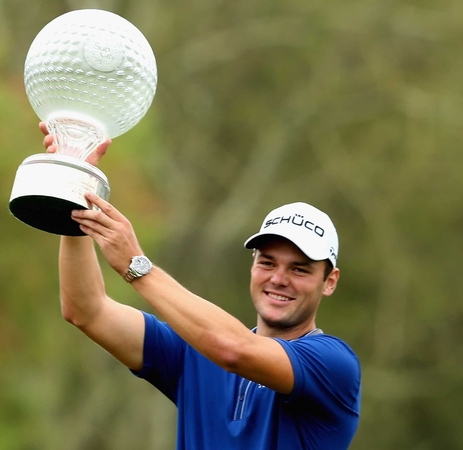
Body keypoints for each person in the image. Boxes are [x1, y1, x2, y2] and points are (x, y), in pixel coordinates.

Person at [40, 123, 361, 449]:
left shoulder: (332, 365)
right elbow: (87, 310)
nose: (279, 278)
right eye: (267, 262)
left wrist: (137, 266)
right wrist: (76, 193)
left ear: (329, 282)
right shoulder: (193, 352)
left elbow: (233, 349)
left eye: (299, 269)